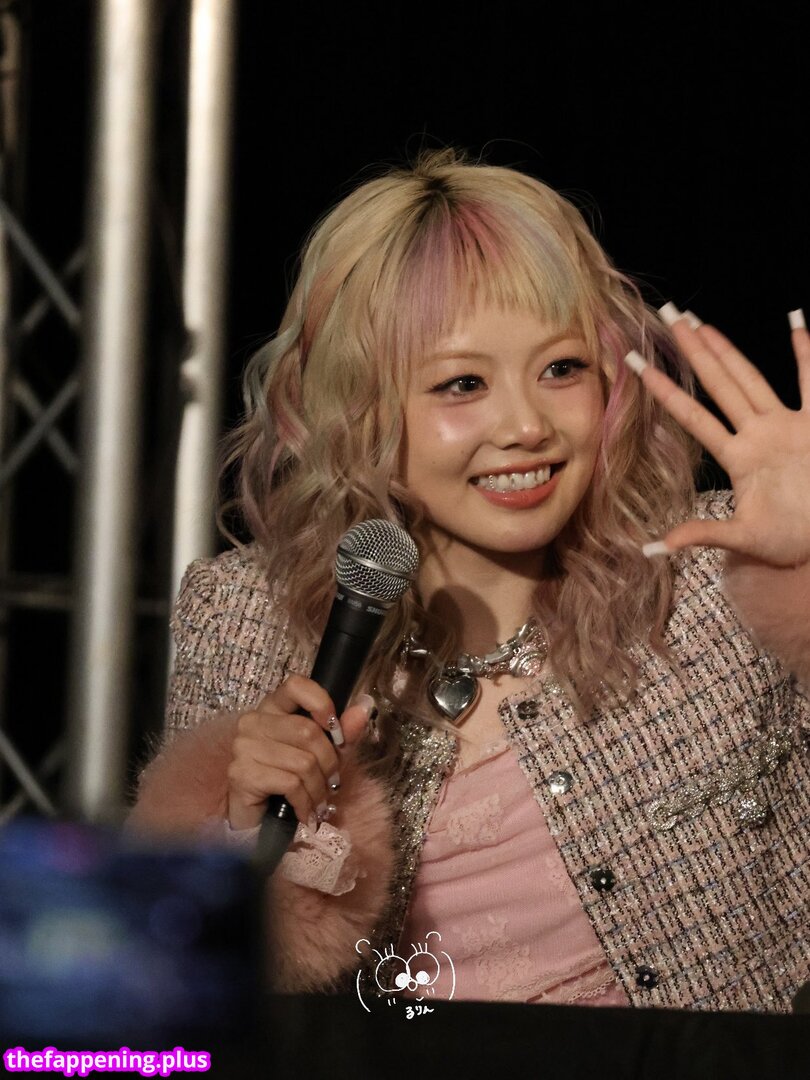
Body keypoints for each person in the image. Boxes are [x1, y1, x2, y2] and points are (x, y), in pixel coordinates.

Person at [129, 148, 810, 1012]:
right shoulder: (246, 617)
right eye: (462, 383)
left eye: (561, 369)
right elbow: (182, 990)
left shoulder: (718, 571)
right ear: (363, 410)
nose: (526, 425)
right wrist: (245, 830)